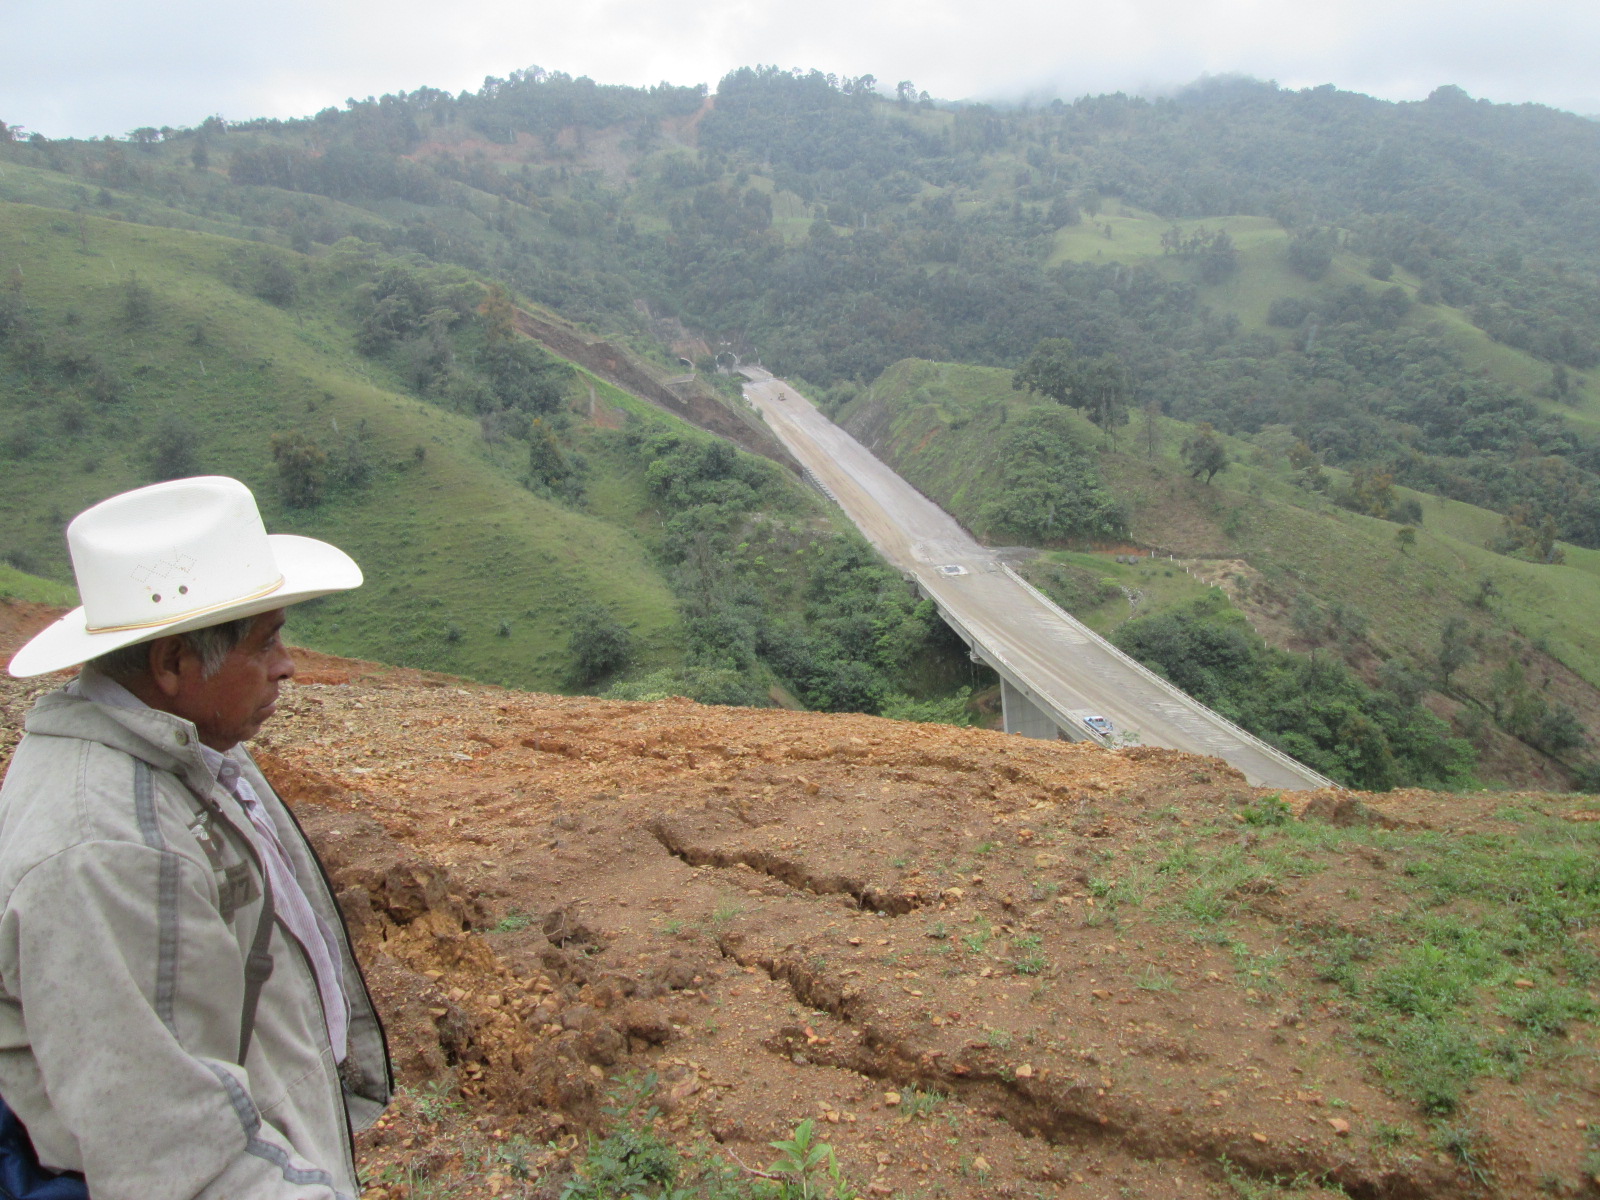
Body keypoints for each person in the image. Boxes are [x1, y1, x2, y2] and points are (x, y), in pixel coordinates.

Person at [0, 476, 391, 1198]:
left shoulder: (193, 753)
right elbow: (180, 1157)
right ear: (173, 664)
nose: (288, 665)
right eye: (265, 641)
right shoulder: (109, 853)